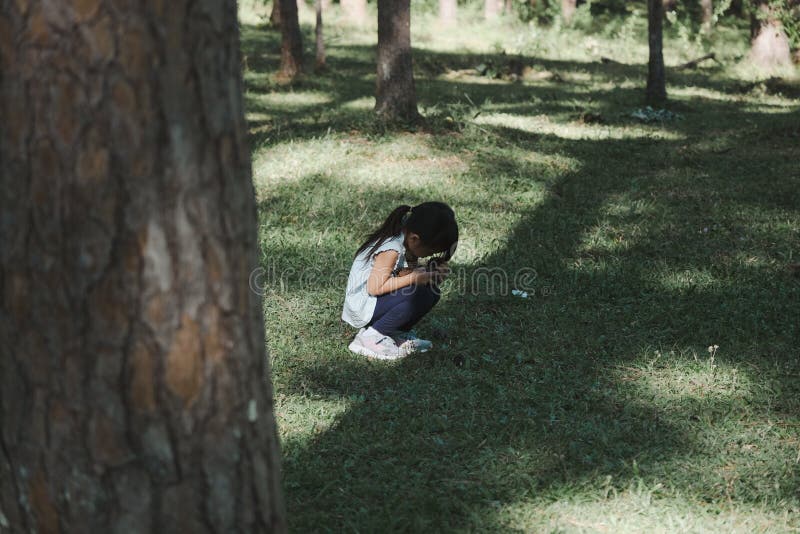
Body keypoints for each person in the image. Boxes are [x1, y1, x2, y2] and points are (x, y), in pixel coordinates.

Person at [342, 202, 458, 360]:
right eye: (430, 251)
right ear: (414, 239)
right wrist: (415, 277)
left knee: (431, 292)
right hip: (364, 305)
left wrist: (430, 272)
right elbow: (375, 288)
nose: (426, 255)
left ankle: (394, 333)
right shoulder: (392, 248)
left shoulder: (408, 244)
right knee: (416, 292)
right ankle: (370, 337)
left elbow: (402, 274)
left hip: (376, 301)